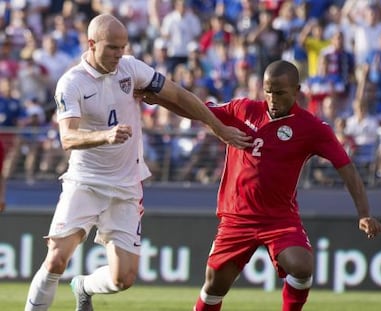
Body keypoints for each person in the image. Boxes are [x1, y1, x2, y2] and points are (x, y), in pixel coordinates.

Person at [24, 13, 251, 311]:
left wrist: (217, 127)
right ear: (92, 44)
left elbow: (179, 95)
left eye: (123, 47)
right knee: (56, 256)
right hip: (85, 181)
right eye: (113, 48)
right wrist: (105, 136)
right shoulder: (71, 83)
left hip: (127, 185)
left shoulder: (130, 69)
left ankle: (82, 286)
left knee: (123, 279)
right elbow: (67, 138)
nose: (120, 54)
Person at [139, 59, 381, 311]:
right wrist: (161, 100)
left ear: (297, 91)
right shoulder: (243, 109)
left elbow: (347, 168)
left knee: (302, 265)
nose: (272, 98)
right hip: (237, 217)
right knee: (214, 287)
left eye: (280, 93)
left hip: (279, 219)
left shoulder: (313, 128)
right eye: (268, 91)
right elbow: (198, 110)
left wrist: (364, 213)